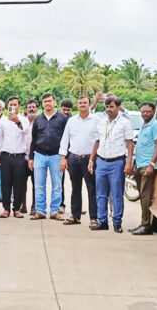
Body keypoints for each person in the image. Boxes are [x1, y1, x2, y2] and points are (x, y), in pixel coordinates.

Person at [89, 96, 135, 233]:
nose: (108, 109)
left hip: (117, 162)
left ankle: (117, 223)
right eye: (106, 107)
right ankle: (102, 221)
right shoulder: (102, 122)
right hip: (101, 161)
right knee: (101, 194)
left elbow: (130, 143)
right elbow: (97, 142)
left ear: (118, 107)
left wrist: (129, 163)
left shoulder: (125, 123)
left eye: (111, 107)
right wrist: (92, 159)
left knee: (116, 194)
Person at [59, 94, 100, 226]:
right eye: (80, 103)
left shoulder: (96, 120)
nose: (82, 105)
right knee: (75, 188)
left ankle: (94, 218)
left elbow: (100, 140)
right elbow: (65, 139)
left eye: (85, 103)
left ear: (89, 104)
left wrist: (94, 159)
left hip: (89, 159)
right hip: (73, 158)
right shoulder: (72, 121)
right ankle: (75, 216)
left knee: (92, 189)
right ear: (78, 105)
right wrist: (63, 158)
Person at [29, 93, 69, 221]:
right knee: (39, 185)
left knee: (57, 185)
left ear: (54, 102)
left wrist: (65, 157)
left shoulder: (63, 118)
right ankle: (40, 210)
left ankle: (54, 211)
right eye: (45, 101)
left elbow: (67, 139)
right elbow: (34, 139)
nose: (47, 103)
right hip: (39, 155)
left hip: (56, 156)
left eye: (49, 101)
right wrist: (31, 157)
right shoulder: (38, 119)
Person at [0, 96, 31, 218]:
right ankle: (6, 208)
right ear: (8, 106)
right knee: (5, 182)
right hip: (5, 155)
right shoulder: (3, 120)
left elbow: (26, 131)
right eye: (11, 105)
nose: (13, 107)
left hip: (20, 156)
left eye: (15, 105)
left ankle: (16, 209)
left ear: (19, 106)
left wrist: (17, 122)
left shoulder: (24, 120)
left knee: (19, 183)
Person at [130, 102, 157, 236]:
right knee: (142, 195)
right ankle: (144, 223)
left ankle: (146, 226)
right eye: (143, 111)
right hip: (139, 163)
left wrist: (151, 163)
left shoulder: (155, 125)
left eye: (148, 112)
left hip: (147, 165)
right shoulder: (144, 125)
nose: (145, 114)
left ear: (153, 111)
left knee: (145, 195)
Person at [23, 99, 39, 215]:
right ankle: (23, 205)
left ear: (37, 109)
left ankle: (34, 205)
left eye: (33, 107)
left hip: (36, 157)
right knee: (21, 184)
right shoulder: (21, 122)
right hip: (22, 157)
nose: (31, 109)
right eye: (29, 107)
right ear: (26, 109)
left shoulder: (40, 121)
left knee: (36, 184)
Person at [58, 98, 74, 213]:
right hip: (62, 155)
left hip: (73, 155)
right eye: (64, 110)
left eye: (68, 110)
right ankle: (61, 204)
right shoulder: (58, 119)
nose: (66, 112)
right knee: (60, 181)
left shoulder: (74, 120)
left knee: (76, 183)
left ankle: (76, 206)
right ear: (60, 108)